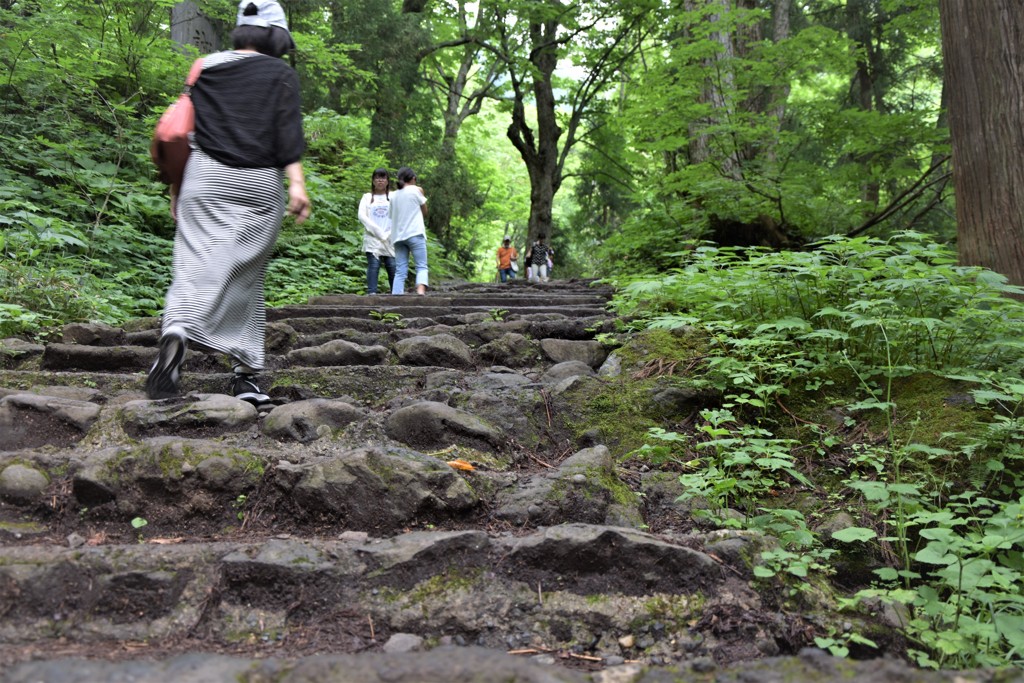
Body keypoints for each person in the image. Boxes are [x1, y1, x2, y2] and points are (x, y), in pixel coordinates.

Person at [146, 0, 310, 406]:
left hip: (205, 176)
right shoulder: (280, 73)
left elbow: (183, 130)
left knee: (193, 262)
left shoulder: (206, 66)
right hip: (258, 182)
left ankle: (179, 327)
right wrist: (297, 186)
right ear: (276, 35)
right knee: (245, 274)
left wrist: (176, 189)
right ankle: (246, 375)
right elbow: (287, 135)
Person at [389, 166, 428, 295]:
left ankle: (396, 295)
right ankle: (421, 292)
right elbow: (425, 211)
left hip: (398, 236)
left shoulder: (393, 195)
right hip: (415, 233)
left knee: (400, 269)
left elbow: (391, 215)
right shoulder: (416, 190)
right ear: (413, 178)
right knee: (421, 265)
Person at [359, 168, 396, 294]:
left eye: (383, 178)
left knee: (392, 266)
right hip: (372, 238)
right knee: (373, 266)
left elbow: (399, 216)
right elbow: (362, 215)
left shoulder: (393, 197)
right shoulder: (367, 197)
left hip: (390, 238)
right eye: (377, 178)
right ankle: (372, 293)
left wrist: (388, 233)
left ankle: (396, 294)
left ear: (387, 181)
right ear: (373, 181)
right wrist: (378, 232)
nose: (380, 180)